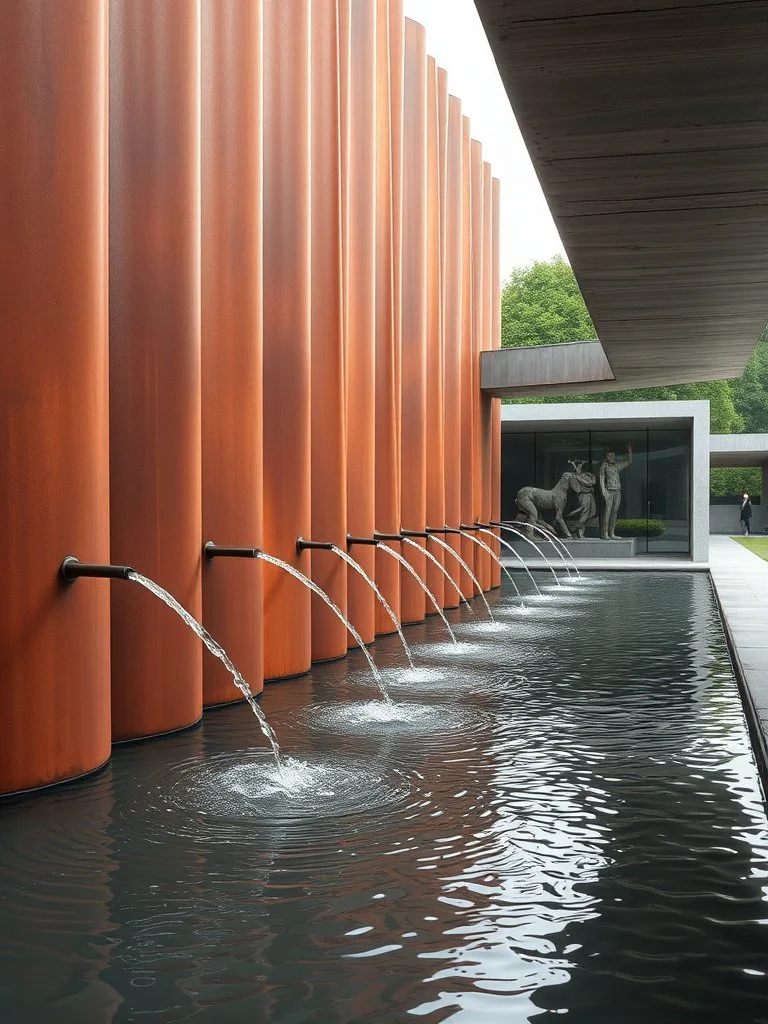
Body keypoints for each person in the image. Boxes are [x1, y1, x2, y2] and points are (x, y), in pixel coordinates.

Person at [599, 444, 633, 540]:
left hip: (617, 490)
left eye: (613, 456)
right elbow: (601, 479)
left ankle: (612, 532)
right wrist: (603, 491)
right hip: (609, 491)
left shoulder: (616, 466)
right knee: (607, 512)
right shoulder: (604, 466)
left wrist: (630, 451)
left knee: (615, 511)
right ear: (606, 456)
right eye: (610, 456)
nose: (612, 457)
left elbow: (629, 462)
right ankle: (605, 533)